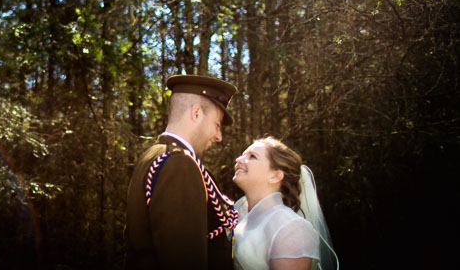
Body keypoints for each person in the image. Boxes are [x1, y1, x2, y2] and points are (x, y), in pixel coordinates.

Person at [126, 74, 238, 270]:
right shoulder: (179, 164)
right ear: (196, 113)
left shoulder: (154, 154)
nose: (219, 136)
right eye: (217, 125)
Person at [232, 137, 337, 270]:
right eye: (242, 155)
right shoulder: (237, 214)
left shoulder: (291, 227)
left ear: (275, 176)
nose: (238, 159)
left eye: (252, 156)